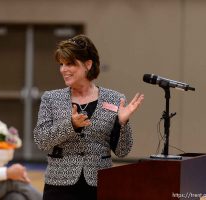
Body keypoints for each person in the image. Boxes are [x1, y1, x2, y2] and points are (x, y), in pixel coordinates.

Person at [33, 34, 144, 200]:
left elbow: (122, 151)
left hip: (99, 184)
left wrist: (122, 122)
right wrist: (71, 125)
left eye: (70, 63)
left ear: (88, 64)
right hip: (59, 186)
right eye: (61, 64)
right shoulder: (51, 98)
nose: (63, 69)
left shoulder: (114, 99)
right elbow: (41, 140)